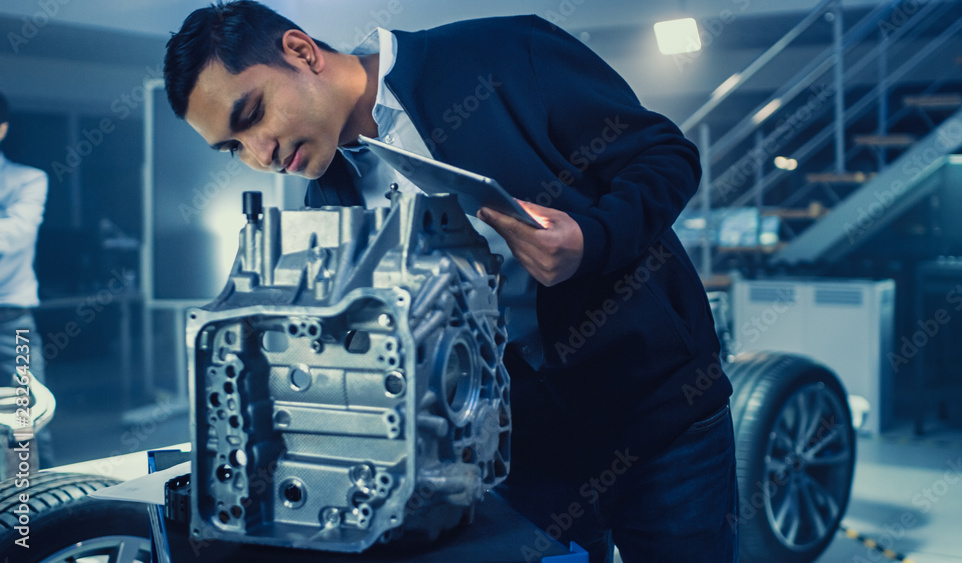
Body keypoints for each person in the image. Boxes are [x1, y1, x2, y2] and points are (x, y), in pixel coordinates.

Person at [164, 2, 737, 561]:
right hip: (523, 456)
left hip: (658, 416)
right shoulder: (328, 197)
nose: (259, 154)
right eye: (233, 148)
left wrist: (591, 240)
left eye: (253, 114)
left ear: (300, 51)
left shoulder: (502, 53)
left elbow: (665, 155)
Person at [0, 90, 54, 468]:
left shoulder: (28, 180)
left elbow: (11, 238)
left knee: (25, 425)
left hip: (10, 323)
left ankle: (39, 520)